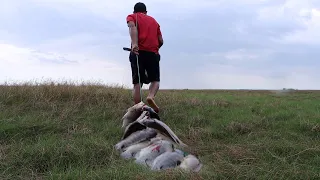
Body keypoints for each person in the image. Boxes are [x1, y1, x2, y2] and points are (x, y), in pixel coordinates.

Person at [126, 2, 163, 113]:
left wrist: (135, 44)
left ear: (134, 11)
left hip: (138, 52)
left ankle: (138, 110)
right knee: (155, 80)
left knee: (137, 83)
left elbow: (132, 27)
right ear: (146, 12)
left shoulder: (132, 17)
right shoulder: (154, 21)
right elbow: (161, 40)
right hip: (153, 53)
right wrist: (155, 48)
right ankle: (151, 96)